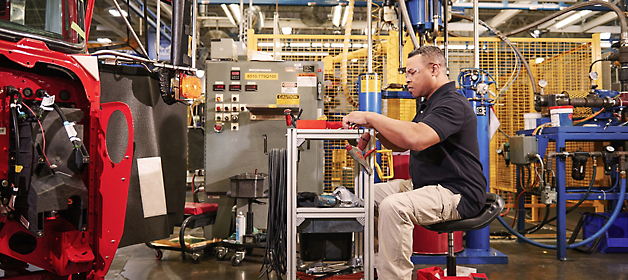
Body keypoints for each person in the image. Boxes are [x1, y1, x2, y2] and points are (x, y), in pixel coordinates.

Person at [342, 46, 487, 280]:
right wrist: (375, 130)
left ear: (434, 69)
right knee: (361, 196)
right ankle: (374, 269)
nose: (407, 80)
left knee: (393, 206)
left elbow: (417, 138)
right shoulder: (429, 103)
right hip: (424, 186)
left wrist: (371, 117)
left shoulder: (452, 104)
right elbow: (401, 144)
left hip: (457, 192)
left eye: (412, 72)